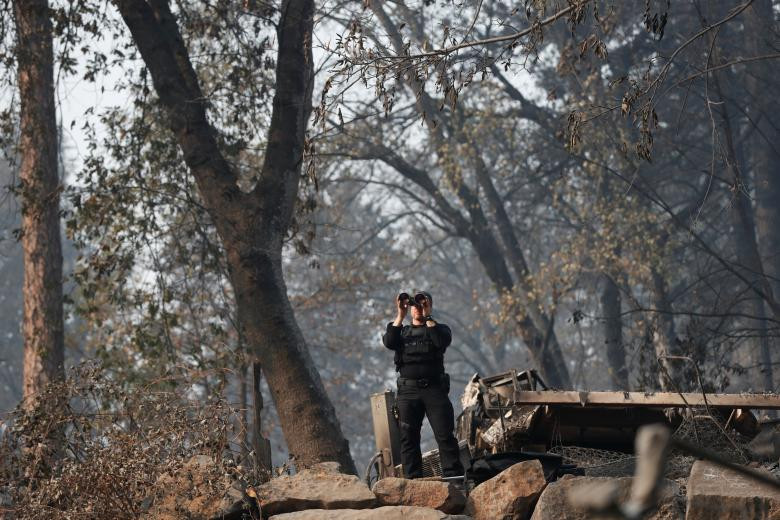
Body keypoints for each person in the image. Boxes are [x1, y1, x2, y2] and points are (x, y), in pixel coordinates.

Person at [382, 290, 465, 478]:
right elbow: (389, 341)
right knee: (408, 438)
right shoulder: (401, 331)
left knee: (445, 436)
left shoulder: (440, 329)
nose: (417, 309)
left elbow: (440, 341)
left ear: (429, 305)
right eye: (414, 306)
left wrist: (428, 316)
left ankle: (454, 479)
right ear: (410, 309)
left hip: (434, 390)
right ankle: (413, 482)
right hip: (408, 392)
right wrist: (400, 315)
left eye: (421, 305)